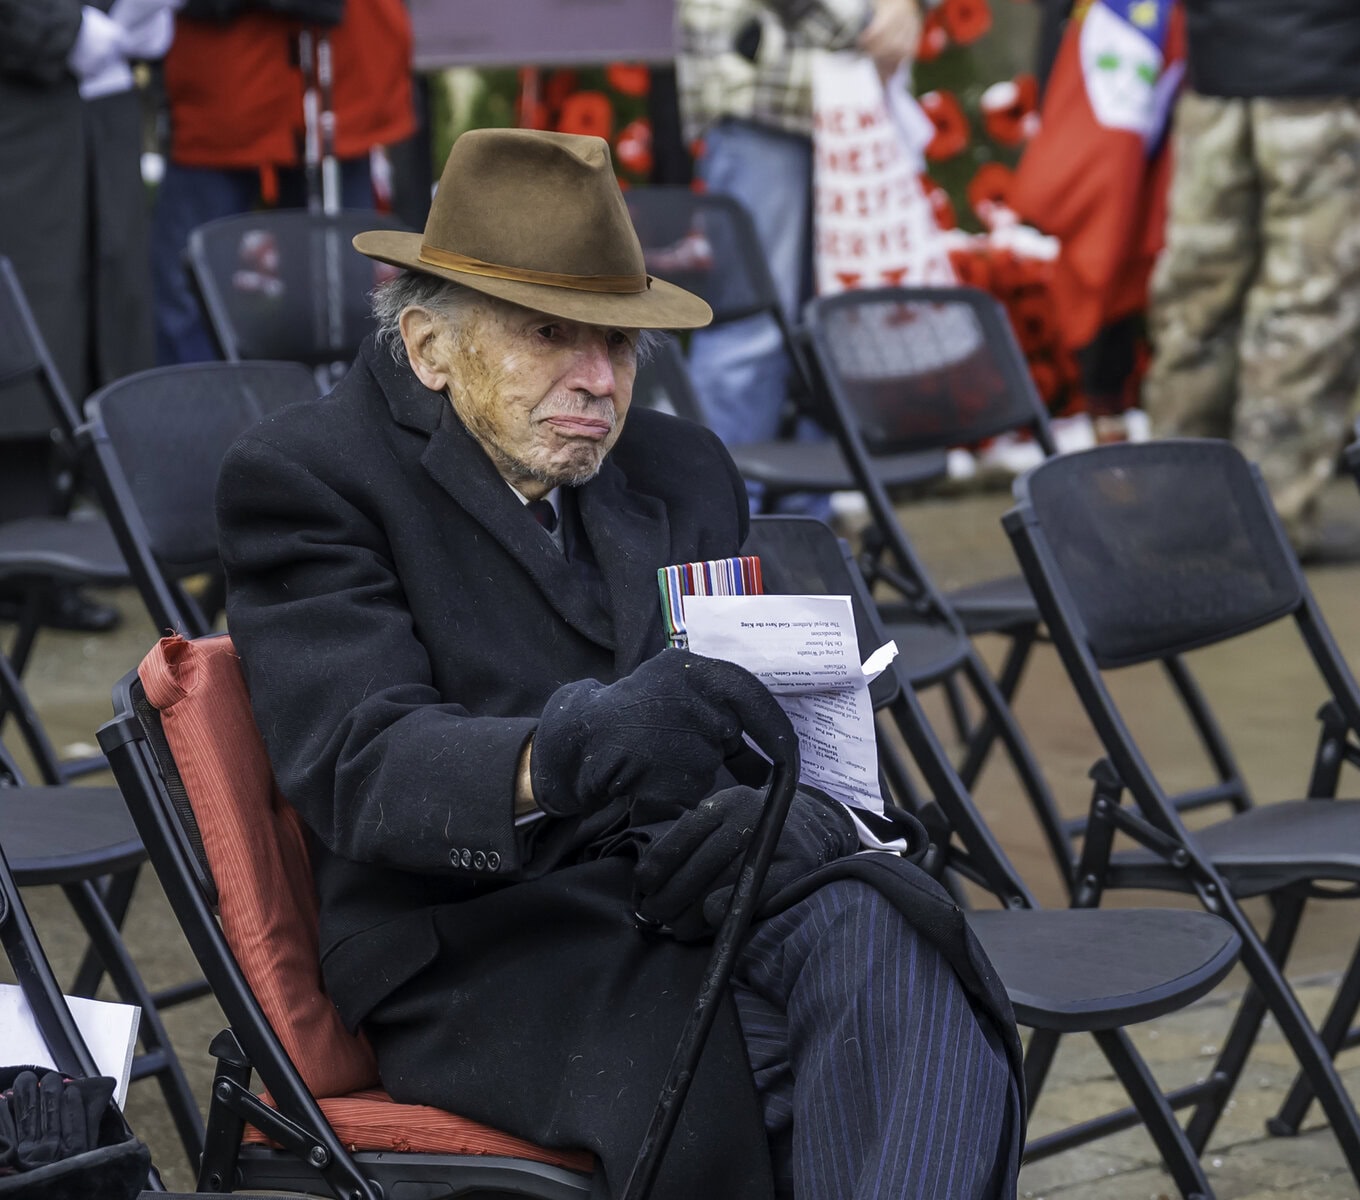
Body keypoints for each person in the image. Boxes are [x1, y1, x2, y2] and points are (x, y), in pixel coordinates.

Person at [217, 128, 1024, 1200]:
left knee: (892, 929)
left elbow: (760, 700)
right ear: (427, 347)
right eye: (551, 334)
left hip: (690, 892)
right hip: (484, 941)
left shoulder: (680, 468)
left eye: (620, 342)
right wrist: (570, 750)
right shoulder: (311, 481)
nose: (597, 379)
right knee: (856, 1064)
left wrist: (803, 812)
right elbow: (363, 766)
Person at [1142, 0, 1360, 564]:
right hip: (1333, 84)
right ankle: (1272, 520)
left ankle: (1180, 511)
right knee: (1310, 309)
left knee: (1200, 304)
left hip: (1218, 84)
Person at [674, 0, 922, 497]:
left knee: (830, 337)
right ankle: (711, 528)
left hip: (848, 104)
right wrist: (869, 22)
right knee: (748, 335)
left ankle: (807, 545)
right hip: (763, 101)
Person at [0, 0, 168, 632]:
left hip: (90, 112)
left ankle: (43, 567)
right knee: (33, 323)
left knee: (93, 321)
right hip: (24, 114)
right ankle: (23, 573)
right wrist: (63, 29)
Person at [150, 0, 415, 365]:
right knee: (193, 281)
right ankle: (200, 410)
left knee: (342, 298)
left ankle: (342, 410)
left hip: (338, 72)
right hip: (224, 75)